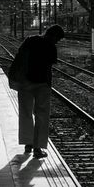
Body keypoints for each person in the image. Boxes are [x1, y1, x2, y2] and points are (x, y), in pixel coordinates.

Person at [9, 24, 64, 159]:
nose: (57, 41)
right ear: (54, 36)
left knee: (26, 113)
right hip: (42, 84)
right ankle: (38, 148)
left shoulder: (30, 40)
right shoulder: (51, 46)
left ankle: (28, 143)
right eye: (58, 39)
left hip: (25, 82)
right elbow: (49, 66)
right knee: (42, 115)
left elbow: (19, 58)